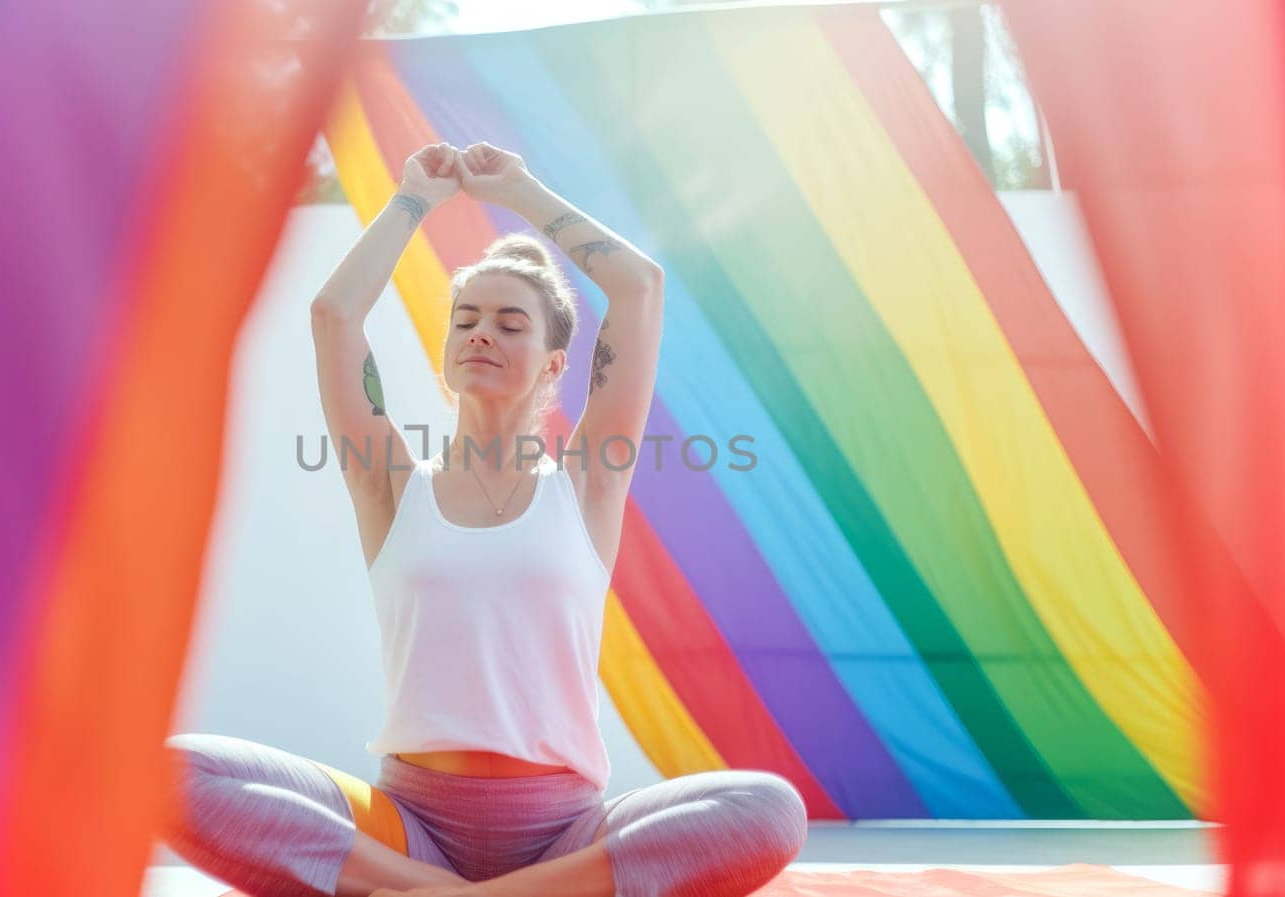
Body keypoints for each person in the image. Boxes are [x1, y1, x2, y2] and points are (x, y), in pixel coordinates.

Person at [161, 142, 807, 897]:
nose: (480, 333)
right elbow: (334, 316)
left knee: (766, 808)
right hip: (408, 824)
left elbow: (638, 286)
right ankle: (435, 888)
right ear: (445, 352)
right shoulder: (393, 485)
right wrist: (411, 199)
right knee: (169, 772)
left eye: (508, 323)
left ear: (555, 364)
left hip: (565, 832)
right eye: (466, 318)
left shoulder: (588, 482)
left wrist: (522, 189)